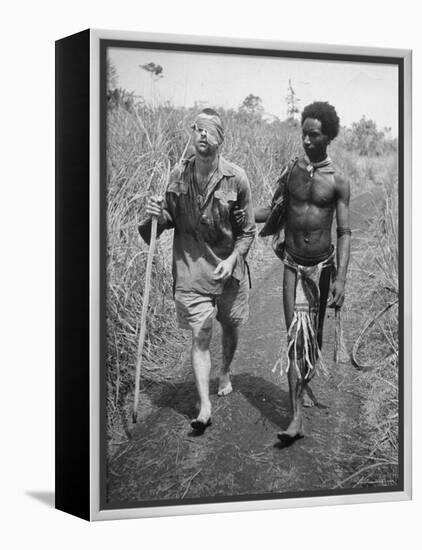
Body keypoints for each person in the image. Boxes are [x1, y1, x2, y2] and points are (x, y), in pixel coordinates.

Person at [238, 101, 351, 444]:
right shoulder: (291, 174)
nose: (306, 141)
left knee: (312, 343)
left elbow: (344, 232)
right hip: (292, 266)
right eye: (303, 133)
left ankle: (306, 378)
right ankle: (296, 418)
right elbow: (271, 212)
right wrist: (237, 213)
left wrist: (342, 279)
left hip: (322, 270)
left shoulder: (338, 182)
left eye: (313, 135)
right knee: (294, 340)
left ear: (328, 137)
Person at [139, 108, 256, 433]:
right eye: (197, 129)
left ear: (221, 138)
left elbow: (247, 232)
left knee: (230, 326)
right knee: (201, 334)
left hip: (228, 270)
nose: (202, 134)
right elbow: (158, 227)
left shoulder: (237, 178)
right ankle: (204, 406)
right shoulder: (177, 176)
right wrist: (153, 215)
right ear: (193, 134)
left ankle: (226, 370)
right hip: (192, 272)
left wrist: (235, 259)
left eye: (209, 130)